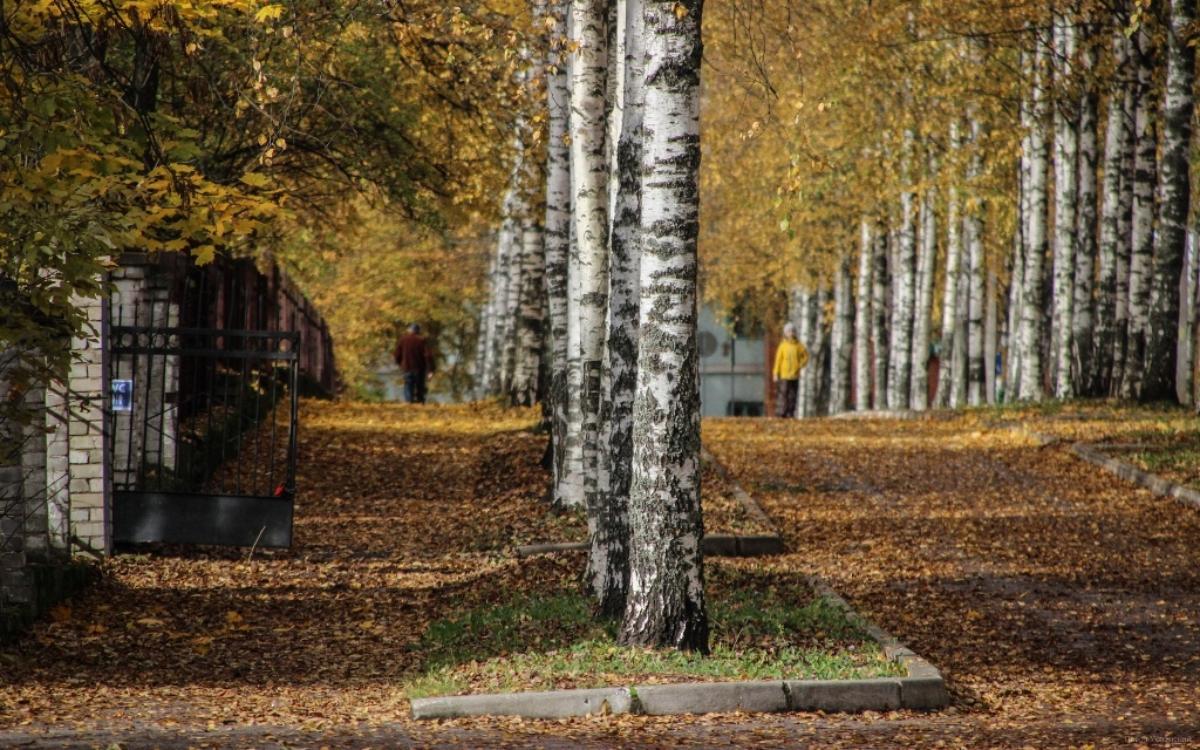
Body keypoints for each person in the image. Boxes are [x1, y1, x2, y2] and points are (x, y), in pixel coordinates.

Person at [772, 322, 808, 417]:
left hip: (794, 375)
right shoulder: (782, 346)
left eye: (792, 331)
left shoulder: (798, 345)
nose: (791, 333)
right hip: (784, 375)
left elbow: (805, 356)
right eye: (788, 331)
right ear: (785, 333)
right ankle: (781, 412)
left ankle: (790, 413)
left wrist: (800, 364)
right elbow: (778, 360)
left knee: (793, 395)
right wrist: (775, 373)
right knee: (783, 394)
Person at [394, 323, 434, 403]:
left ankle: (409, 404)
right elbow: (428, 356)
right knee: (420, 387)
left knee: (408, 386)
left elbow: (397, 355)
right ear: (418, 331)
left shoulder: (402, 340)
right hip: (419, 368)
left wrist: (400, 364)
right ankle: (420, 403)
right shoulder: (422, 340)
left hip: (407, 367)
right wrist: (430, 370)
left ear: (409, 330)